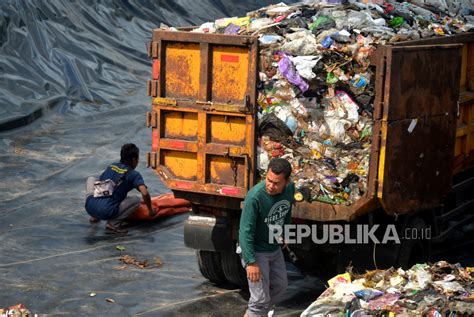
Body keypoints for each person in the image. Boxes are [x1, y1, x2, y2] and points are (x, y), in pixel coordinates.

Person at [239, 158, 295, 317]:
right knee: (260, 300)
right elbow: (245, 231)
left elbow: (286, 211)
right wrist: (250, 261)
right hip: (255, 251)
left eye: (276, 183)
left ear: (286, 181)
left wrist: (285, 232)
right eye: (269, 180)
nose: (271, 185)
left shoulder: (290, 190)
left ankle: (254, 313)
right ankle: (255, 312)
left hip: (273, 247)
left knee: (280, 286)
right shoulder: (255, 197)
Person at [85, 143, 156, 234]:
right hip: (106, 211)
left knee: (91, 179)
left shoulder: (112, 166)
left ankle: (95, 216)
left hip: (90, 207)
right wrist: (150, 210)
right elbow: (145, 193)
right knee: (136, 200)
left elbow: (100, 183)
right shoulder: (134, 174)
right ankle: (113, 224)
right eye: (137, 159)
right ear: (134, 159)